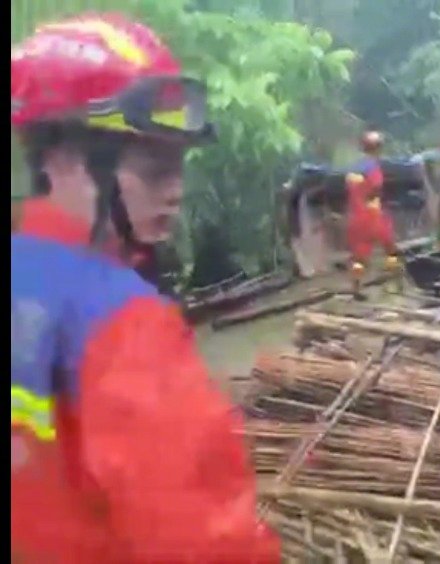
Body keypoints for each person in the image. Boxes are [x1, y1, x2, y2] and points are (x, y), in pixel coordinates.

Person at [10, 13, 281, 562]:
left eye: (179, 166)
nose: (176, 192)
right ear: (62, 158)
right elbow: (200, 539)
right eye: (154, 167)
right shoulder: (124, 321)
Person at [344, 130, 401, 298]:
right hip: (372, 215)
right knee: (390, 249)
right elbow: (376, 189)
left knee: (359, 257)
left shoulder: (353, 168)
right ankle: (395, 284)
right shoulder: (373, 168)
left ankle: (356, 288)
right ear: (378, 148)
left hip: (355, 215)